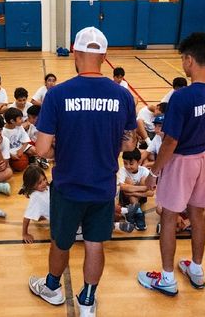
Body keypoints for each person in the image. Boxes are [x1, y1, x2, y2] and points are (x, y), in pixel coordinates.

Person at [28, 26, 137, 316]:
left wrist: (57, 152)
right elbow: (129, 144)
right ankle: (88, 300)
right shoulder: (123, 96)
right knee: (94, 244)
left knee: (61, 242)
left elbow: (41, 149)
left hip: (68, 185)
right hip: (103, 186)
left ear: (74, 53)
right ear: (104, 56)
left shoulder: (57, 94)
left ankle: (52, 287)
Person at [137, 32, 205, 296]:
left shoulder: (183, 97)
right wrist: (204, 150)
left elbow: (170, 142)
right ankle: (196, 270)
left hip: (182, 162)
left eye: (183, 60)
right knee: (197, 215)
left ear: (189, 59)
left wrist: (154, 172)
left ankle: (166, 278)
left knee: (169, 215)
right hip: (203, 159)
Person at [117, 148, 154, 231]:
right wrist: (143, 188)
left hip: (138, 197)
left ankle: (133, 211)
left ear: (139, 162)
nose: (128, 166)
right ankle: (139, 214)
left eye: (131, 163)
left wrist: (132, 192)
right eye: (125, 163)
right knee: (128, 181)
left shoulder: (144, 171)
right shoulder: (123, 170)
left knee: (143, 180)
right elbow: (122, 187)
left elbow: (151, 193)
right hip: (125, 198)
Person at [3, 107, 41, 171]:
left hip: (20, 147)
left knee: (35, 151)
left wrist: (21, 150)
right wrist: (11, 155)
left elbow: (26, 141)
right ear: (12, 121)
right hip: (9, 151)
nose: (23, 120)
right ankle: (15, 162)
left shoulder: (19, 127)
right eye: (20, 119)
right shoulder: (3, 131)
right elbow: (2, 149)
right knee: (19, 165)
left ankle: (28, 158)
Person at [21, 165, 50, 243]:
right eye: (39, 183)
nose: (44, 183)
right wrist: (25, 234)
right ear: (31, 185)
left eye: (44, 179)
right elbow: (26, 217)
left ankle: (39, 216)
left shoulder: (45, 188)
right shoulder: (36, 196)